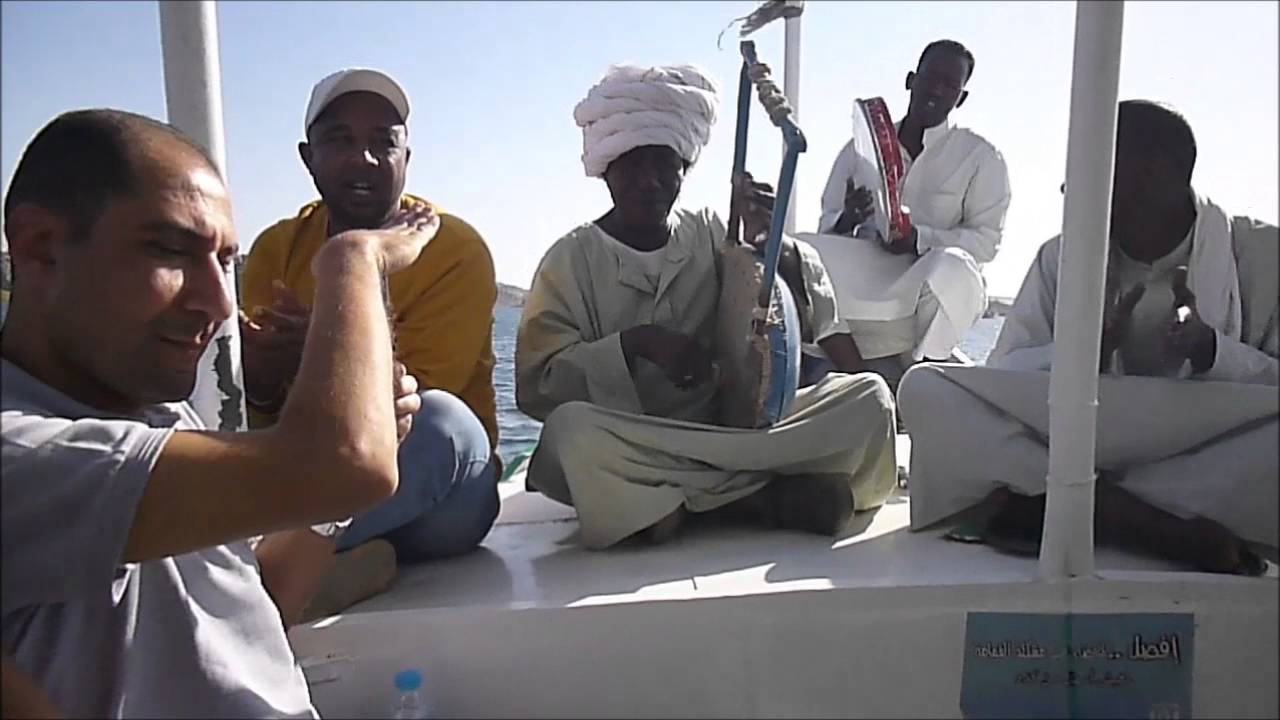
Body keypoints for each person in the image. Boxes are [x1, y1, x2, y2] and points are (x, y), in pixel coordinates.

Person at [1, 109, 434, 716]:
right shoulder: (21, 452)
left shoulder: (159, 411)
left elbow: (254, 606)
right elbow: (347, 462)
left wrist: (330, 507)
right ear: (41, 248)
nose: (219, 302)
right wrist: (354, 257)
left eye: (226, 262)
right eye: (171, 250)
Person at [515, 63, 897, 550]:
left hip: (727, 436)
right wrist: (635, 345)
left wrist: (771, 242)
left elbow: (805, 312)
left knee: (870, 398)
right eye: (632, 165)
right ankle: (758, 499)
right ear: (606, 169)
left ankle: (669, 504)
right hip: (637, 442)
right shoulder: (569, 260)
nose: (649, 181)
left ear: (684, 168)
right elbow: (537, 385)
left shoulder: (713, 233)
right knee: (570, 434)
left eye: (664, 165)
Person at [898, 100, 1277, 575]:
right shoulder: (1059, 257)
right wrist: (1081, 353)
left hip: (1197, 442)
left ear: (1157, 176)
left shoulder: (1263, 256)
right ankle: (1137, 518)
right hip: (1075, 433)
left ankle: (1065, 500)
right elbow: (1005, 372)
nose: (1068, 186)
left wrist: (1212, 351)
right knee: (924, 388)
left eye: (1092, 165)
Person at [239, 68, 501, 617]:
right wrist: (259, 378)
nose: (363, 159)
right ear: (308, 157)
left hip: (433, 497)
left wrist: (323, 350)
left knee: (441, 421)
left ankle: (263, 579)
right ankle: (329, 569)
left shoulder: (454, 249)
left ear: (407, 157)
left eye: (384, 142)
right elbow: (257, 416)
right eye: (340, 140)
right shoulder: (276, 249)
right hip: (306, 481)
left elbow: (409, 410)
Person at [813, 39, 1011, 388]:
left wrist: (918, 239)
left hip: (926, 281)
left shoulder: (980, 156)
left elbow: (986, 242)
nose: (937, 89)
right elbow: (827, 227)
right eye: (931, 77)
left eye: (949, 84)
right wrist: (847, 219)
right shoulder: (859, 149)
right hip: (866, 275)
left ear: (961, 98)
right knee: (803, 250)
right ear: (911, 80)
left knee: (956, 269)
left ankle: (921, 377)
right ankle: (860, 376)